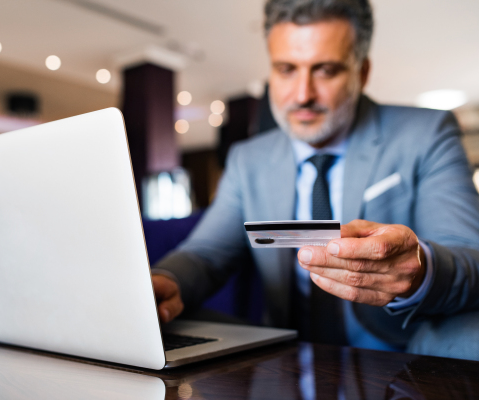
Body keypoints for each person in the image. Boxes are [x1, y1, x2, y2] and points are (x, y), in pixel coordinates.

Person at [151, 0, 479, 353]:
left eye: (325, 70)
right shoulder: (248, 159)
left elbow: (470, 256)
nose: (302, 94)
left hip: (397, 349)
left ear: (362, 72)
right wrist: (165, 281)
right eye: (286, 69)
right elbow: (206, 253)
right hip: (285, 353)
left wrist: (420, 269)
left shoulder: (426, 133)